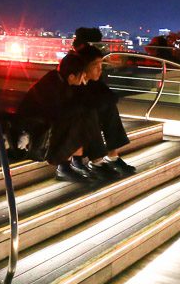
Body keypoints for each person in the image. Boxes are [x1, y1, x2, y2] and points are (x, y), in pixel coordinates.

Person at [16, 53, 108, 182]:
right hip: (36, 134)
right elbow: (57, 114)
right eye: (82, 74)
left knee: (86, 113)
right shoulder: (53, 85)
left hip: (44, 127)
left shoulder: (59, 80)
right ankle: (68, 166)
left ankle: (92, 160)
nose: (84, 77)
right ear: (71, 76)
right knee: (82, 117)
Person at [72, 44, 136, 176]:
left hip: (84, 117)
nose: (100, 69)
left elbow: (110, 97)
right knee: (90, 112)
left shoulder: (94, 81)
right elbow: (78, 106)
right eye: (96, 66)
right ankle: (96, 161)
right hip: (70, 121)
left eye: (101, 65)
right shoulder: (73, 80)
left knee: (109, 107)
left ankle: (112, 156)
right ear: (84, 66)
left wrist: (102, 102)